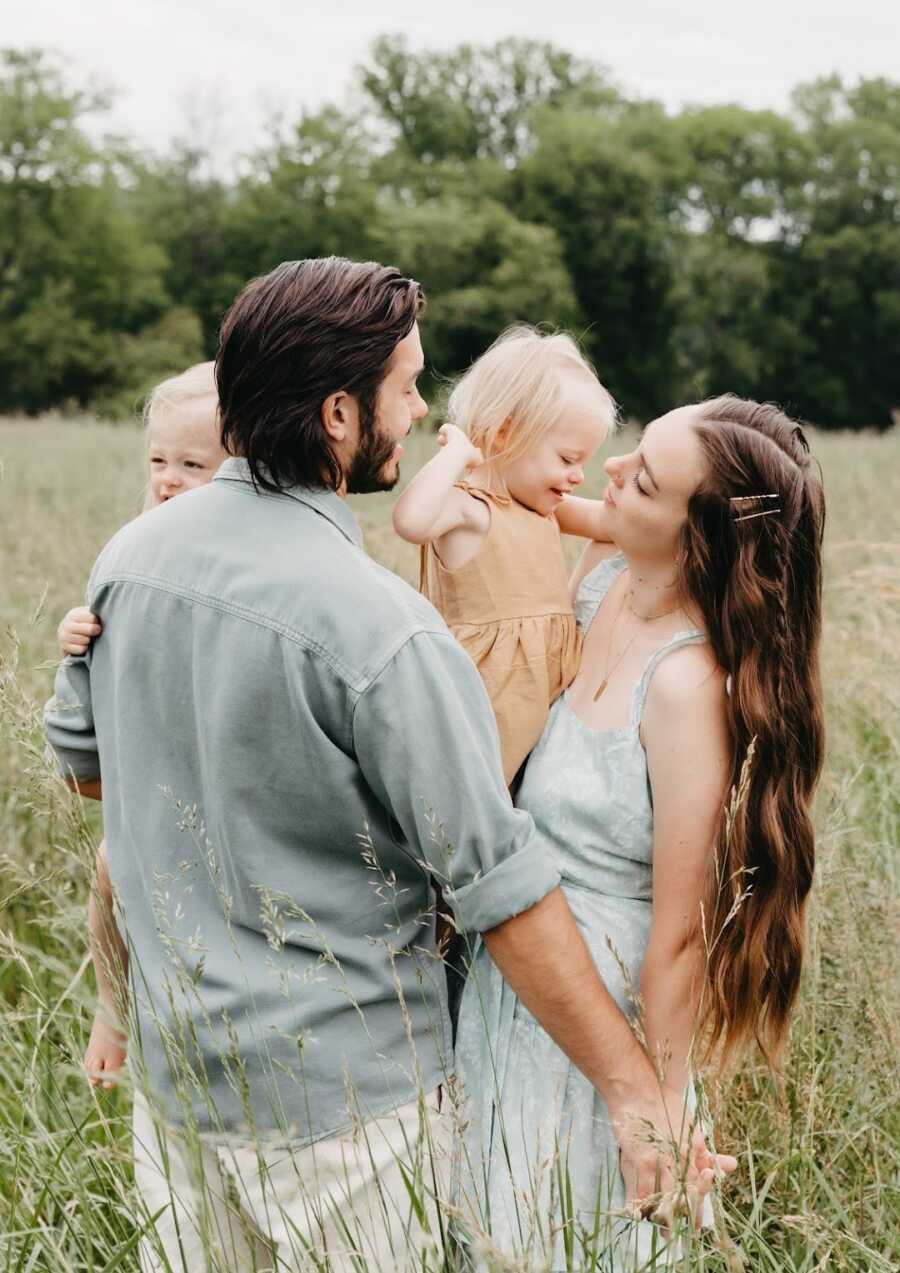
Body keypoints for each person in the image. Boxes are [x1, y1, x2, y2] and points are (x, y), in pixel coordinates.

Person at [44, 258, 729, 1273]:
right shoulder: (385, 631)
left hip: (179, 1087)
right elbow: (501, 889)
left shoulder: (128, 559)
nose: (417, 412)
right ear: (336, 413)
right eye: (405, 388)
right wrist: (635, 1094)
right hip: (349, 1114)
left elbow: (89, 773)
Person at [455, 395, 825, 1268]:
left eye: (644, 478)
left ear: (696, 541)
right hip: (516, 982)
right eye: (632, 449)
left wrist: (654, 1106)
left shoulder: (688, 688)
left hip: (598, 1013)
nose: (610, 470)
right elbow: (523, 505)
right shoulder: (604, 579)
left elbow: (682, 933)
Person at [55, 360, 225, 1089]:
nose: (167, 477)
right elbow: (104, 635)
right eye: (158, 460)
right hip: (155, 754)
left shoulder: (236, 552)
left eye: (193, 463)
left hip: (216, 751)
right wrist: (76, 630)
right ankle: (112, 1008)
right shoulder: (135, 546)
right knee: (113, 866)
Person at [392, 326, 617, 786]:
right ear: (502, 436)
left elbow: (615, 526)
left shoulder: (543, 508)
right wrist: (455, 456)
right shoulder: (470, 508)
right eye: (568, 459)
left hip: (544, 698)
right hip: (483, 703)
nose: (578, 476)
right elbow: (411, 522)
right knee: (465, 803)